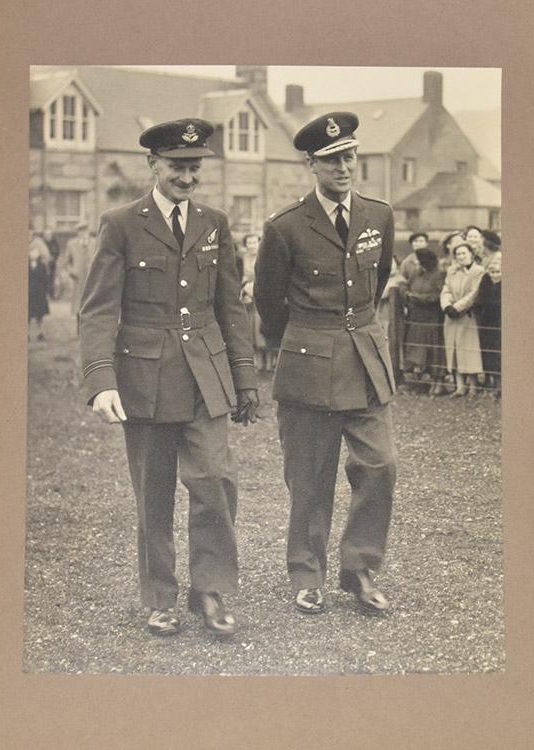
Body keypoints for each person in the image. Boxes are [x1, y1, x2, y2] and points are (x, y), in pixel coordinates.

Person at [78, 118, 259, 637]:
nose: (187, 177)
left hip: (206, 376)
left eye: (194, 167)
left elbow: (231, 306)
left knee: (216, 482)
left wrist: (243, 379)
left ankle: (213, 592)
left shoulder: (214, 223)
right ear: (153, 165)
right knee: (153, 494)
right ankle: (160, 597)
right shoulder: (121, 224)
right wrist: (101, 380)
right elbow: (97, 310)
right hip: (144, 380)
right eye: (178, 166)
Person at [255, 112, 397, 616]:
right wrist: (302, 344)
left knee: (380, 465)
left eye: (350, 156)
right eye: (333, 160)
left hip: (364, 361)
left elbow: (375, 286)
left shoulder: (378, 216)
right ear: (311, 164)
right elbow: (270, 306)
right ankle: (307, 574)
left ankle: (359, 569)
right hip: (308, 363)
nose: (344, 167)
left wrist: (353, 331)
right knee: (310, 477)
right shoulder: (286, 228)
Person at [399, 233, 448, 394]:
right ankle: (418, 383)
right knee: (416, 351)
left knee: (434, 350)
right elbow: (405, 284)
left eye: (420, 262)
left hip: (432, 318)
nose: (418, 265)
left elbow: (437, 295)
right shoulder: (417, 272)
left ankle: (438, 382)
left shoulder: (438, 273)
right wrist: (408, 295)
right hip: (416, 317)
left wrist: (418, 298)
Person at [440, 241, 485, 397]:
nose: (460, 257)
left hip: (467, 315)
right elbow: (446, 290)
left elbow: (474, 293)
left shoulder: (478, 272)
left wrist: (458, 307)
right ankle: (460, 387)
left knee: (468, 349)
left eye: (463, 253)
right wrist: (447, 306)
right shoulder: (451, 271)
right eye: (458, 254)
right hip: (451, 317)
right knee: (453, 349)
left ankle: (473, 387)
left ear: (471, 254)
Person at [237, 233, 270, 371]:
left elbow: (267, 275)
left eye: (254, 242)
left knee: (262, 326)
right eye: (249, 243)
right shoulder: (243, 259)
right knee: (250, 327)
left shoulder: (265, 257)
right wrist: (244, 288)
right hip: (248, 294)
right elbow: (242, 276)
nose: (251, 245)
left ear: (259, 243)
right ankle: (256, 361)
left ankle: (268, 361)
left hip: (263, 294)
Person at [475, 252, 502, 398]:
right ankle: (489, 383)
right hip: (487, 321)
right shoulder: (485, 280)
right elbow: (480, 299)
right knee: (487, 351)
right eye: (492, 272)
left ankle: (499, 385)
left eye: (498, 272)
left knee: (499, 352)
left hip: (500, 322)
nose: (494, 275)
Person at [65, 222, 95, 323]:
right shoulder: (71, 244)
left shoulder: (95, 243)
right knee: (78, 303)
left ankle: (90, 327)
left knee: (92, 302)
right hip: (78, 278)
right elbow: (66, 262)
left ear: (88, 231)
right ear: (77, 233)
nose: (83, 233)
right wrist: (71, 271)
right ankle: (79, 328)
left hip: (92, 278)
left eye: (85, 230)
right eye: (80, 231)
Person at [28, 230, 51, 340]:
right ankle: (26, 333)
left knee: (39, 314)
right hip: (28, 292)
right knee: (27, 313)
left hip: (39, 292)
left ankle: (40, 332)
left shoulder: (41, 265)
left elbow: (45, 279)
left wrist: (45, 289)